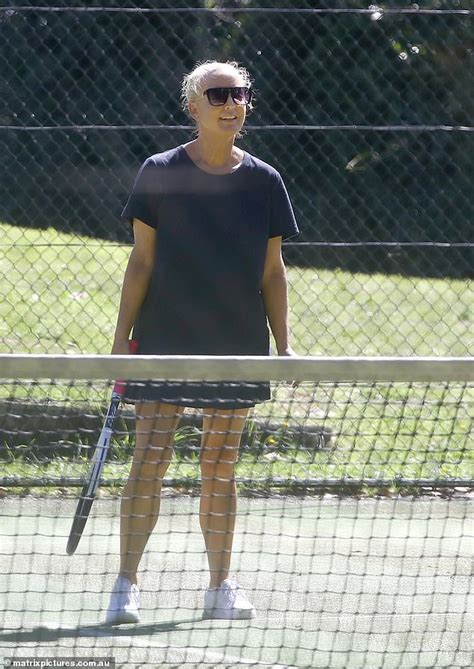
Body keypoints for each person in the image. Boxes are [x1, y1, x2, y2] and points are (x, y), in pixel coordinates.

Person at [105, 60, 299, 625]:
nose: (231, 103)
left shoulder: (265, 180)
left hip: (235, 340)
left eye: (239, 94)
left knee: (219, 464)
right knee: (150, 459)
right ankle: (126, 585)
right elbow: (141, 261)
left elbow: (273, 271)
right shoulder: (159, 170)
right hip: (166, 337)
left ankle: (219, 587)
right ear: (193, 105)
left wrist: (282, 347)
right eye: (218, 94)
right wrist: (122, 340)